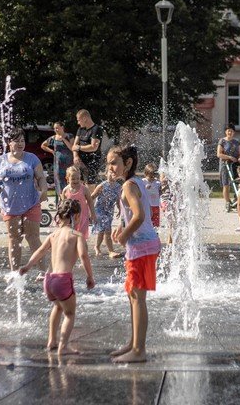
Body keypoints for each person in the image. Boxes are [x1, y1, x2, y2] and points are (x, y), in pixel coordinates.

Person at [19, 199, 95, 356]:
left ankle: (51, 341)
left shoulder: (53, 235)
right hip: (63, 280)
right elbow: (83, 256)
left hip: (49, 280)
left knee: (58, 307)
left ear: (59, 216)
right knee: (70, 314)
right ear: (77, 216)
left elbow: (40, 251)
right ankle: (63, 347)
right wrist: (90, 276)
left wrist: (27, 266)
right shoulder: (76, 235)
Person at [107, 144, 161, 364]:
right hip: (142, 246)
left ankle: (139, 350)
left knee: (138, 298)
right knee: (133, 295)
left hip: (142, 247)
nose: (110, 167)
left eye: (114, 163)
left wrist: (124, 235)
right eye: (108, 163)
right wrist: (122, 227)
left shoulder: (129, 185)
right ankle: (133, 343)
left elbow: (139, 216)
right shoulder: (135, 182)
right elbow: (135, 214)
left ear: (127, 163)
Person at [0, 129, 48, 272]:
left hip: (31, 203)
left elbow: (40, 177)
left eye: (22, 141)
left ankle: (44, 272)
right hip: (10, 205)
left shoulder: (32, 158)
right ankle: (15, 273)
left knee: (33, 237)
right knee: (14, 239)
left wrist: (44, 190)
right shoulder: (1, 160)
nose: (20, 144)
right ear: (9, 143)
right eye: (17, 141)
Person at [90, 169, 123, 257]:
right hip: (99, 210)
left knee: (103, 230)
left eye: (114, 172)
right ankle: (110, 251)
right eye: (110, 172)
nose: (113, 174)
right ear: (105, 174)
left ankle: (97, 246)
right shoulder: (102, 186)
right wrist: (86, 206)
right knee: (107, 230)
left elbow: (118, 199)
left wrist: (119, 209)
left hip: (109, 211)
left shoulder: (118, 186)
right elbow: (92, 196)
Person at [41, 122, 74, 203]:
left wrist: (64, 139)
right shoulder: (53, 138)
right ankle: (61, 201)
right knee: (59, 182)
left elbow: (72, 148)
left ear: (62, 127)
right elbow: (43, 145)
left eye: (57, 128)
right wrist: (51, 151)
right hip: (58, 165)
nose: (56, 130)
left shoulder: (69, 136)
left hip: (69, 164)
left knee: (70, 179)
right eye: (54, 128)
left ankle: (70, 200)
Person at [61, 166, 95, 241]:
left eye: (78, 178)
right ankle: (73, 248)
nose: (76, 181)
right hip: (70, 217)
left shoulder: (84, 189)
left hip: (83, 216)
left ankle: (82, 248)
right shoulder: (65, 190)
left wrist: (93, 214)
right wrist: (62, 218)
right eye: (73, 179)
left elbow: (90, 201)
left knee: (81, 237)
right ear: (67, 178)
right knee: (71, 236)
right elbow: (63, 206)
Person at [72, 109, 103, 188]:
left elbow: (93, 147)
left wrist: (79, 147)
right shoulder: (80, 129)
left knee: (89, 187)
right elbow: (74, 145)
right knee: (79, 187)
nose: (78, 123)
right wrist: (75, 156)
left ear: (85, 118)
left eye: (79, 120)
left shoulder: (96, 129)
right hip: (80, 162)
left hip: (92, 162)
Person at [216, 124, 240, 207]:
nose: (230, 132)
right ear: (225, 132)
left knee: (238, 182)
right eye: (228, 131)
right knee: (226, 184)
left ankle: (236, 198)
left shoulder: (237, 142)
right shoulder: (222, 141)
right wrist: (229, 157)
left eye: (231, 131)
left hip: (235, 165)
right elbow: (219, 154)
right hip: (225, 165)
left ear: (234, 132)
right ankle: (228, 202)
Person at [142, 163, 162, 228]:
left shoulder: (157, 183)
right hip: (147, 205)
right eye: (150, 176)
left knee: (156, 223)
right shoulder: (143, 182)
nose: (152, 178)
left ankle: (155, 232)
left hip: (156, 205)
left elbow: (160, 193)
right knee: (147, 222)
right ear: (145, 174)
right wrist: (145, 188)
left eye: (153, 176)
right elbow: (139, 192)